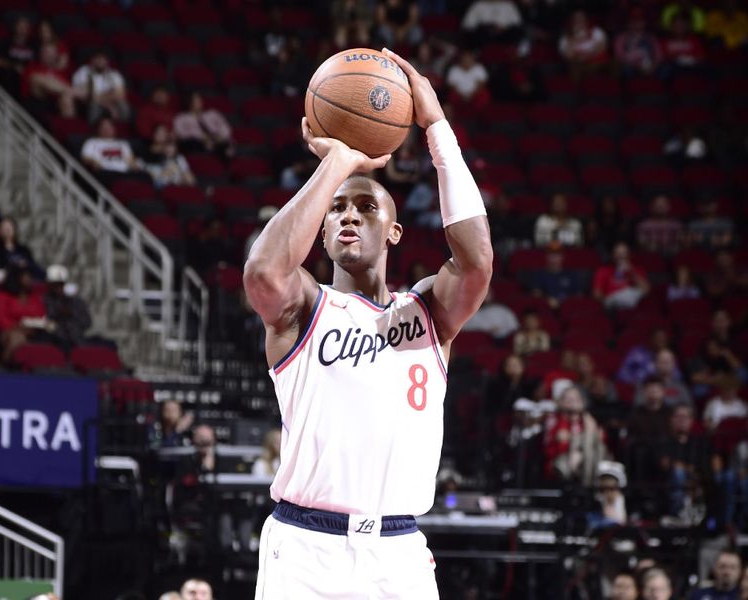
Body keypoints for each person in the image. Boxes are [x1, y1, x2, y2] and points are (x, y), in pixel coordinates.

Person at [243, 48, 493, 599]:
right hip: (305, 547)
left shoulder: (428, 314)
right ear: (324, 230)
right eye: (338, 210)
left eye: (365, 207)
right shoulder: (304, 308)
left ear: (395, 232)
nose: (349, 214)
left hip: (397, 553)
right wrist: (337, 163)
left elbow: (476, 263)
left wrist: (436, 127)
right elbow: (263, 271)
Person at [543, 385, 608, 486]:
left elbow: (601, 440)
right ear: (561, 402)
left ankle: (588, 486)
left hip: (587, 458)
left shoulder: (587, 419)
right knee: (588, 439)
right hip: (561, 459)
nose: (573, 401)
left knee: (595, 445)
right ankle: (590, 488)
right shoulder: (555, 418)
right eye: (568, 398)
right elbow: (558, 441)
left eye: (576, 398)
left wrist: (578, 450)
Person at [656, 404, 712, 516]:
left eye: (685, 417)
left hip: (696, 482)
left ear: (691, 420)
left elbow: (704, 465)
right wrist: (683, 468)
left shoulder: (699, 443)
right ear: (671, 420)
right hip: (668, 483)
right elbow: (664, 464)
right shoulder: (663, 440)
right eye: (678, 416)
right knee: (678, 473)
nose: (681, 420)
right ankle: (677, 513)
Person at [0, 263, 47, 362]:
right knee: (17, 338)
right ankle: (7, 368)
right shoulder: (3, 296)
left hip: (34, 332)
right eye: (26, 276)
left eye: (30, 277)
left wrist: (32, 327)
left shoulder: (34, 298)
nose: (29, 279)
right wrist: (18, 327)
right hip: (8, 332)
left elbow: (41, 315)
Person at [42, 264, 92, 351]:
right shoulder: (45, 301)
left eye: (60, 284)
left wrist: (72, 314)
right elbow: (45, 323)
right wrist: (57, 314)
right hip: (54, 340)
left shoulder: (77, 301)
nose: (58, 288)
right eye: (55, 284)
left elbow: (87, 322)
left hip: (77, 340)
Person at [72, 50, 129, 122]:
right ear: (92, 60)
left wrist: (105, 100)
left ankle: (122, 127)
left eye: (103, 59)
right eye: (98, 58)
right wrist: (108, 106)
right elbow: (87, 95)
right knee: (94, 105)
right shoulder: (83, 71)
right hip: (89, 103)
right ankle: (92, 129)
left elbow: (120, 94)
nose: (101, 61)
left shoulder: (114, 74)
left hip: (109, 102)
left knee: (122, 104)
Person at [21, 42, 76, 118]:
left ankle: (69, 125)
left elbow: (66, 88)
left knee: (67, 98)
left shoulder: (60, 73)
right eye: (46, 52)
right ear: (41, 53)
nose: (49, 55)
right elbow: (41, 81)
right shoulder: (32, 67)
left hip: (54, 106)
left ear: (56, 55)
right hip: (34, 103)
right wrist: (69, 90)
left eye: (52, 53)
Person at [173, 92, 234, 158]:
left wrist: (220, 136)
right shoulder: (182, 118)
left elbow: (225, 127)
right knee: (191, 144)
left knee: (226, 146)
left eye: (200, 100)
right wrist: (202, 138)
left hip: (216, 140)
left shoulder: (212, 114)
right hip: (197, 144)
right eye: (195, 100)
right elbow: (181, 133)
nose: (199, 102)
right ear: (189, 102)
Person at [593, 242, 650, 310]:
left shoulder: (637, 270)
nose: (622, 256)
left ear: (630, 255)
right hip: (612, 305)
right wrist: (607, 300)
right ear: (613, 255)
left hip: (634, 306)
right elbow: (597, 294)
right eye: (618, 253)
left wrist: (631, 272)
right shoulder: (603, 270)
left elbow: (647, 290)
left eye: (624, 253)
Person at [0, 16, 35, 97]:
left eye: (25, 27)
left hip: (27, 79)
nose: (22, 29)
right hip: (9, 79)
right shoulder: (6, 43)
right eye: (20, 26)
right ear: (15, 27)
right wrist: (14, 66)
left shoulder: (33, 46)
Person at [559, 10, 608, 80]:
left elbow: (602, 48)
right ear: (572, 21)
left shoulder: (596, 31)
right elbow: (568, 55)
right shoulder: (565, 37)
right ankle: (577, 88)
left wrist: (587, 56)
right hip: (576, 64)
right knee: (574, 66)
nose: (579, 21)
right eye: (576, 18)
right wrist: (574, 39)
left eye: (581, 18)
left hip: (595, 62)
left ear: (586, 19)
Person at [614, 8, 662, 76]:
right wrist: (636, 65)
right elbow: (619, 56)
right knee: (626, 69)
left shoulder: (651, 38)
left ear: (645, 22)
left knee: (664, 70)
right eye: (634, 21)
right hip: (631, 66)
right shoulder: (622, 38)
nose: (637, 23)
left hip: (650, 66)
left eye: (640, 20)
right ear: (629, 23)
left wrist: (654, 66)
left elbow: (659, 56)